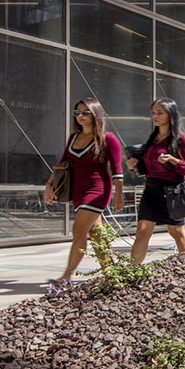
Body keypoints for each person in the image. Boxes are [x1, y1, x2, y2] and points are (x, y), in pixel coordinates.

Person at [45, 97, 124, 292]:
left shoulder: (108, 139)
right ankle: (110, 274)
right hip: (78, 192)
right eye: (77, 112)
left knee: (78, 231)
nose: (80, 116)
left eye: (85, 112)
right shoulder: (73, 138)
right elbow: (62, 164)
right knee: (96, 234)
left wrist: (118, 195)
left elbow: (117, 170)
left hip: (98, 191)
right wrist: (49, 185)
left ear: (95, 114)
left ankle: (66, 277)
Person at [126, 98, 185, 264]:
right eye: (153, 113)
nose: (154, 116)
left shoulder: (182, 139)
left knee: (177, 232)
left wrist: (172, 159)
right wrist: (134, 164)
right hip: (151, 189)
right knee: (142, 230)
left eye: (159, 113)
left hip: (171, 191)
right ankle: (131, 272)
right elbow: (148, 166)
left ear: (170, 115)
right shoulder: (153, 138)